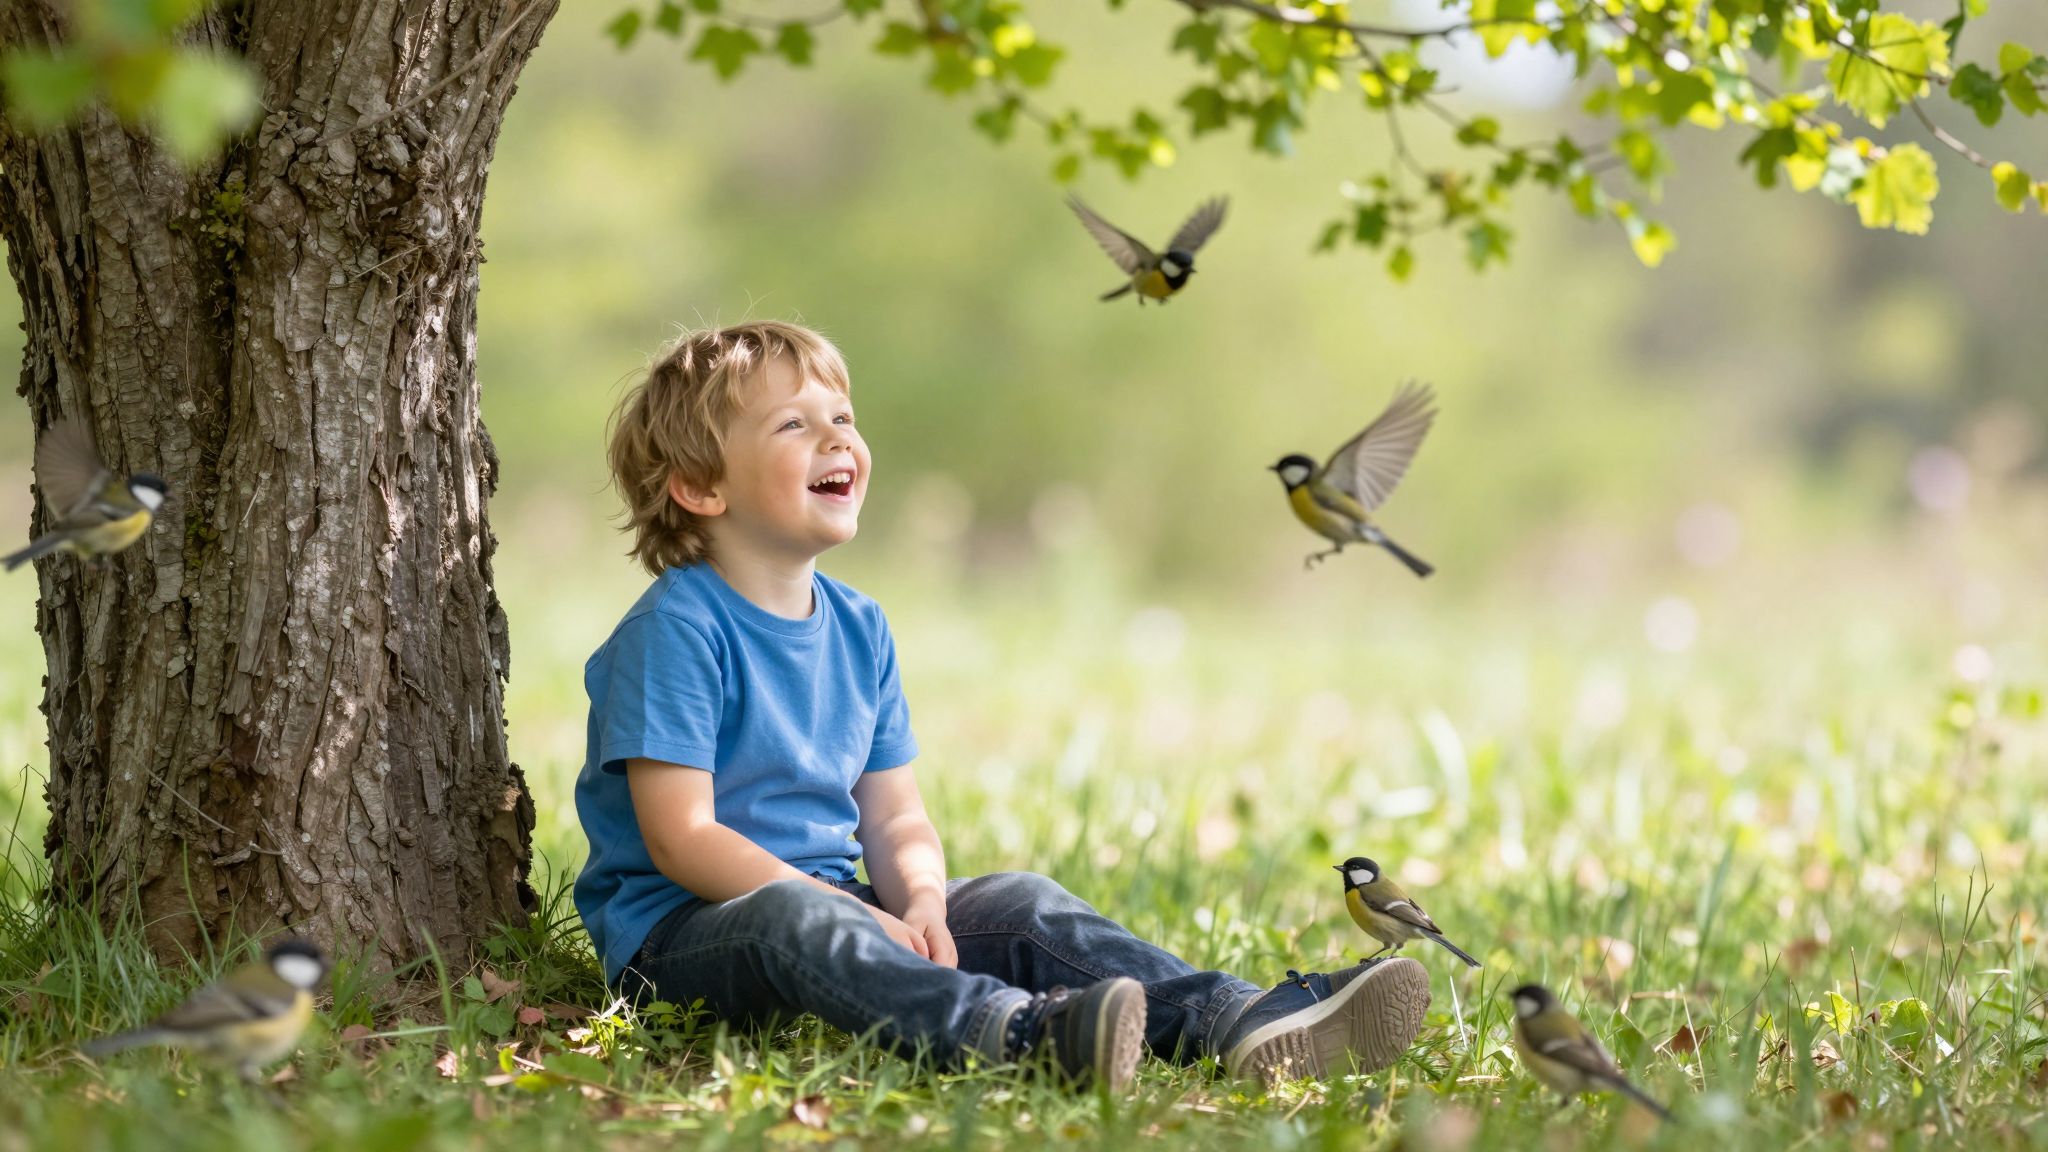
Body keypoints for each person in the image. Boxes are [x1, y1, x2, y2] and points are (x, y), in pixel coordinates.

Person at [573, 320, 1432, 1089]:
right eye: (794, 425)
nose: (838, 438)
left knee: (1019, 902)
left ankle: (1237, 1020)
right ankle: (1015, 1035)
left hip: (836, 906)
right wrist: (843, 909)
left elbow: (895, 815)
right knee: (795, 917)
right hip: (685, 941)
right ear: (700, 485)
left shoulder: (859, 627)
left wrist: (919, 901)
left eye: (843, 417)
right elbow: (682, 839)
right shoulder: (678, 629)